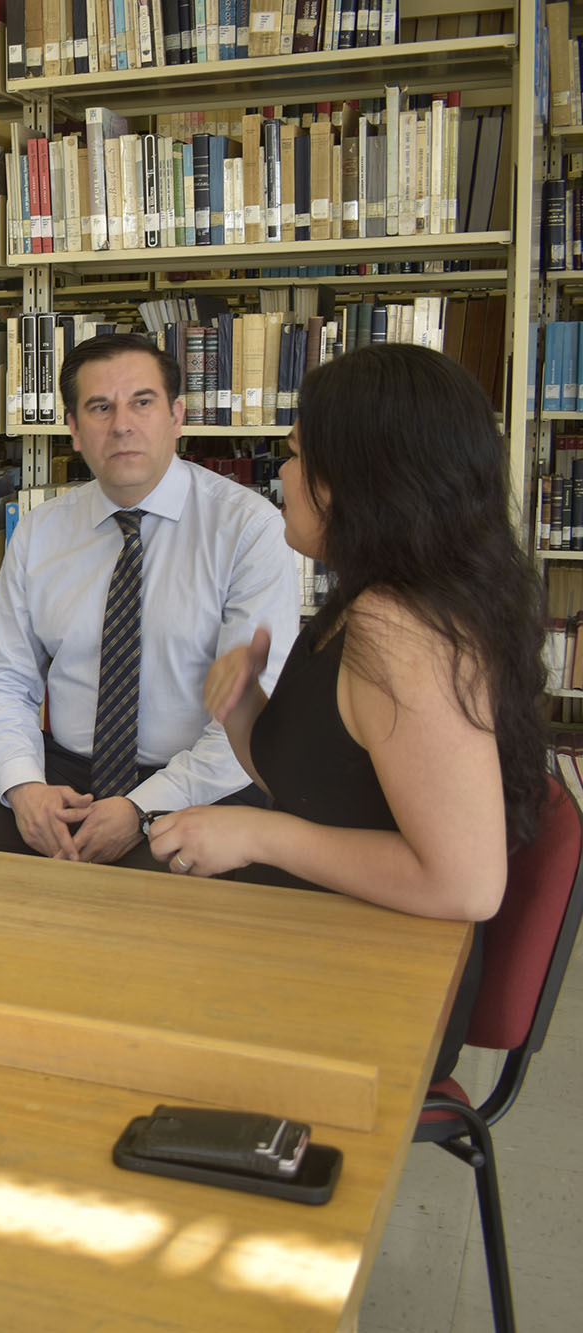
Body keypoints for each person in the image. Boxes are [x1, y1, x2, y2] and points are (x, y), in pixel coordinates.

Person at [146, 344, 547, 1070]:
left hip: (377, 981)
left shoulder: (401, 631)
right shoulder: (363, 599)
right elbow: (320, 786)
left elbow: (466, 882)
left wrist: (257, 837)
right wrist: (242, 708)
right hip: (319, 928)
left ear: (354, 479)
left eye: (298, 454)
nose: (283, 474)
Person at [0, 332, 298, 868]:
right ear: (72, 429)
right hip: (64, 781)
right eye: (99, 407)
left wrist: (142, 808)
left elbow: (256, 716)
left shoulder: (247, 529)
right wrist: (24, 786)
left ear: (176, 415)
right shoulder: (40, 531)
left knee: (148, 936)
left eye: (142, 402)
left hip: (197, 787)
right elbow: (3, 678)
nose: (122, 425)